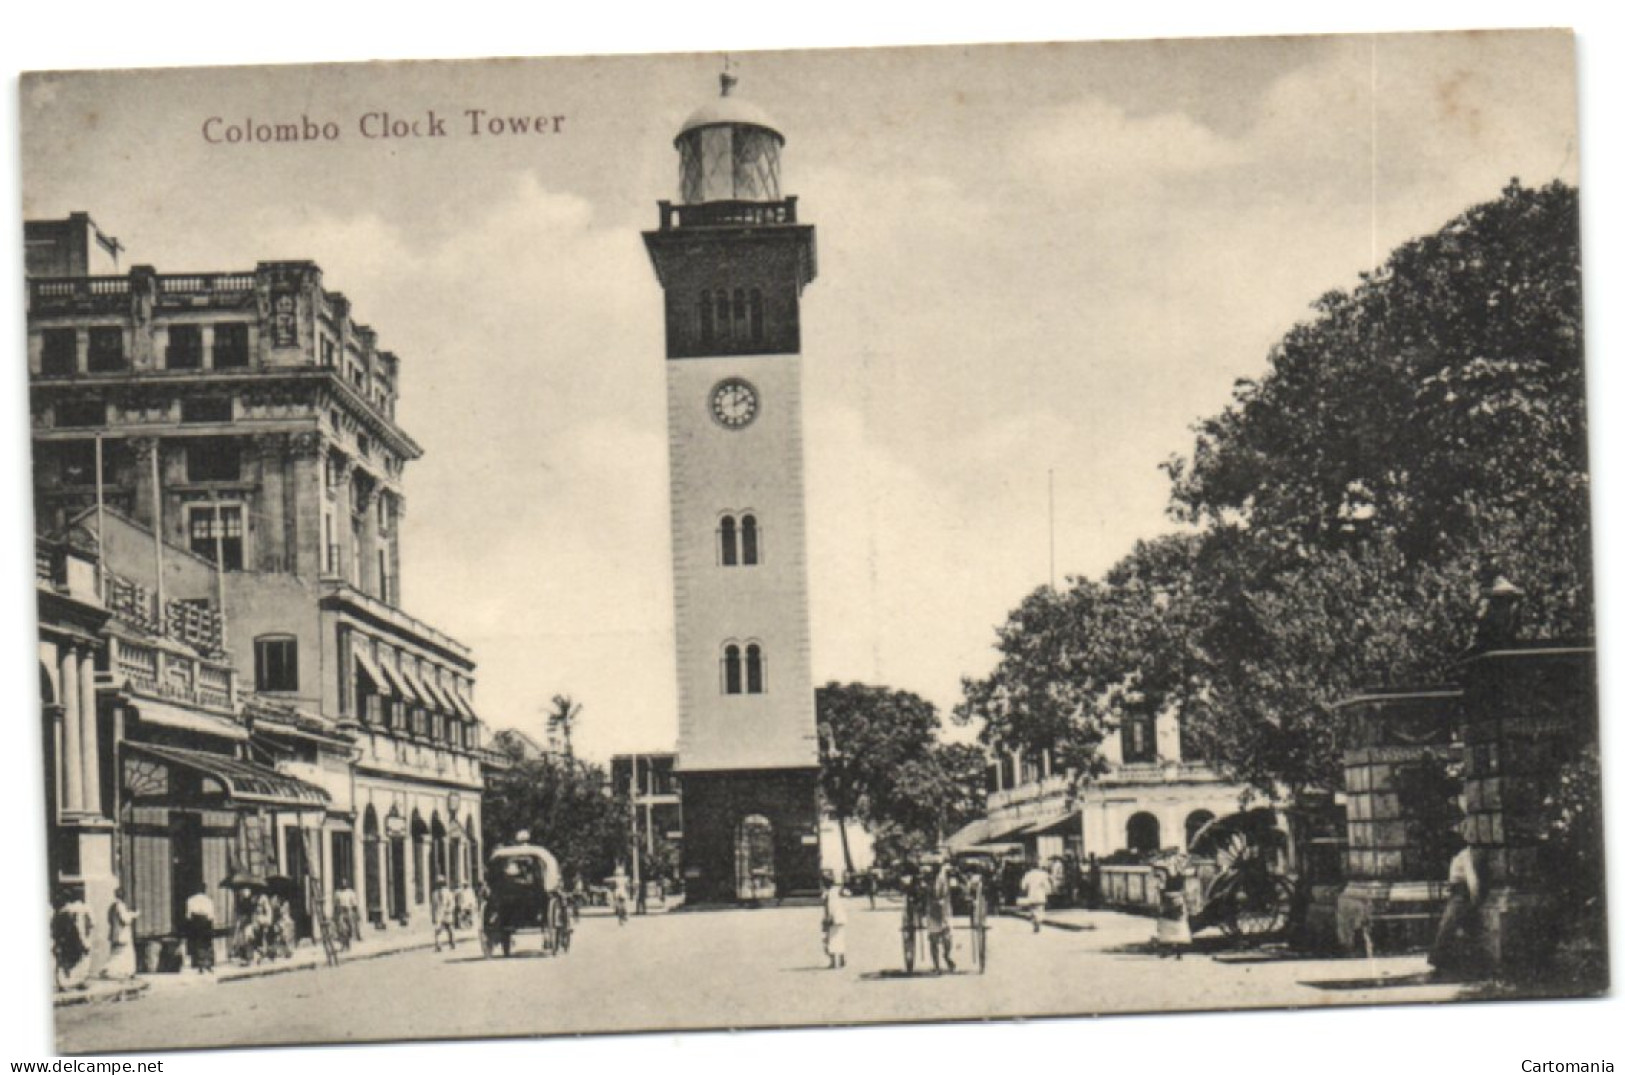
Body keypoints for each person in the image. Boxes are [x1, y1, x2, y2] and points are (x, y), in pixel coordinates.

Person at [1429, 841, 1483, 980]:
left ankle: (1441, 962)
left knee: (1448, 926)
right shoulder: (1457, 857)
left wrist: (1474, 899)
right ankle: (1448, 963)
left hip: (1461, 896)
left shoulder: (1465, 855)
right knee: (1453, 927)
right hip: (1455, 893)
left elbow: (1472, 879)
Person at [51, 885, 93, 990]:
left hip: (66, 941)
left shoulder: (61, 912)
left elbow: (54, 929)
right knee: (77, 962)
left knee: (64, 963)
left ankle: (65, 983)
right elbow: (81, 926)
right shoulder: (77, 910)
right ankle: (74, 982)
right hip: (73, 940)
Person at [1152, 851, 1192, 959]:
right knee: (1174, 925)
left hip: (1171, 899)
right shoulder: (1178, 871)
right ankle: (1174, 951)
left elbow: (1161, 886)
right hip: (1175, 899)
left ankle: (1171, 951)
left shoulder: (1170, 871)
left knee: (1170, 924)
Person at [925, 862, 956, 973]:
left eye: (937, 867)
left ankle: (946, 956)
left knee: (947, 938)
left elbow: (948, 892)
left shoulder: (945, 876)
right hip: (932, 911)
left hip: (945, 911)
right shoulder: (927, 877)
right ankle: (936, 966)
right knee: (933, 940)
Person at [103, 888, 139, 979]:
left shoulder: (112, 906)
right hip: (122, 934)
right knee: (124, 954)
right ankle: (112, 970)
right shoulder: (121, 906)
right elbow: (126, 919)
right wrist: (133, 915)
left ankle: (114, 971)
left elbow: (109, 919)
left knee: (116, 953)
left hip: (114, 933)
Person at [184, 884, 217, 973]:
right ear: (204, 890)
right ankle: (208, 963)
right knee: (207, 943)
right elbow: (211, 916)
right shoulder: (208, 901)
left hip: (195, 922)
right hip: (205, 922)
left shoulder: (191, 900)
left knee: (197, 943)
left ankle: (200, 964)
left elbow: (188, 916)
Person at [821, 873, 848, 969]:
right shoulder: (837, 891)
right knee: (839, 938)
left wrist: (827, 918)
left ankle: (833, 962)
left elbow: (828, 907)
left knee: (830, 939)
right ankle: (842, 959)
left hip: (832, 918)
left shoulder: (827, 894)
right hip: (841, 917)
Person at [1020, 860, 1054, 933]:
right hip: (1041, 895)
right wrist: (1049, 892)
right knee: (1040, 910)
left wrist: (1025, 890)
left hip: (1031, 895)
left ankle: (1034, 921)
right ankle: (1038, 921)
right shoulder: (1043, 874)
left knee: (1032, 910)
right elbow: (1047, 885)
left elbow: (1023, 886)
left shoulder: (1028, 874)